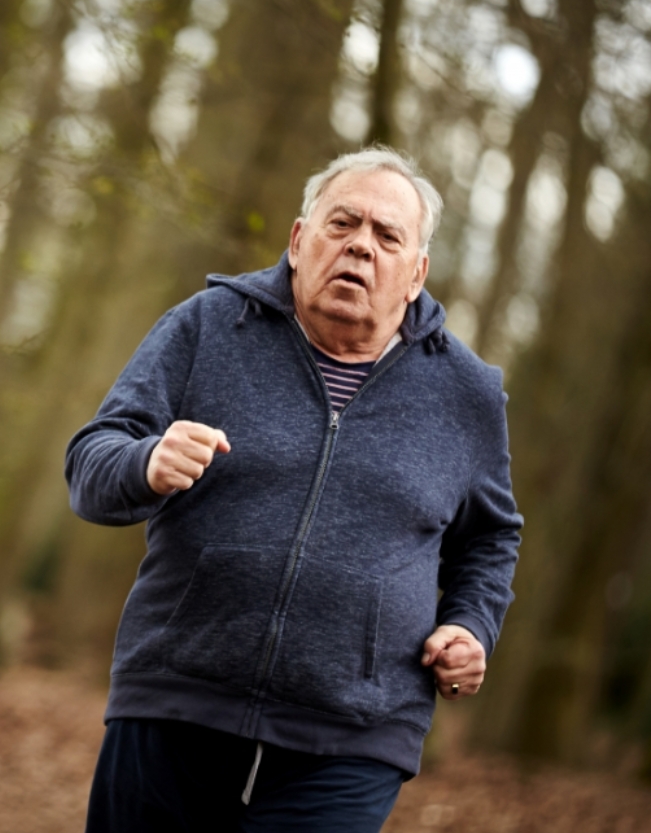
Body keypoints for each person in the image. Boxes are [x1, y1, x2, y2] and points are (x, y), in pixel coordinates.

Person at [64, 147, 522, 832]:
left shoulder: (467, 392)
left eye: (387, 235)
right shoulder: (207, 326)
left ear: (416, 274)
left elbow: (490, 537)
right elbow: (90, 462)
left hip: (354, 736)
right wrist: (145, 462)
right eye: (343, 223)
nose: (360, 246)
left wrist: (470, 623)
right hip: (177, 700)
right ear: (300, 239)